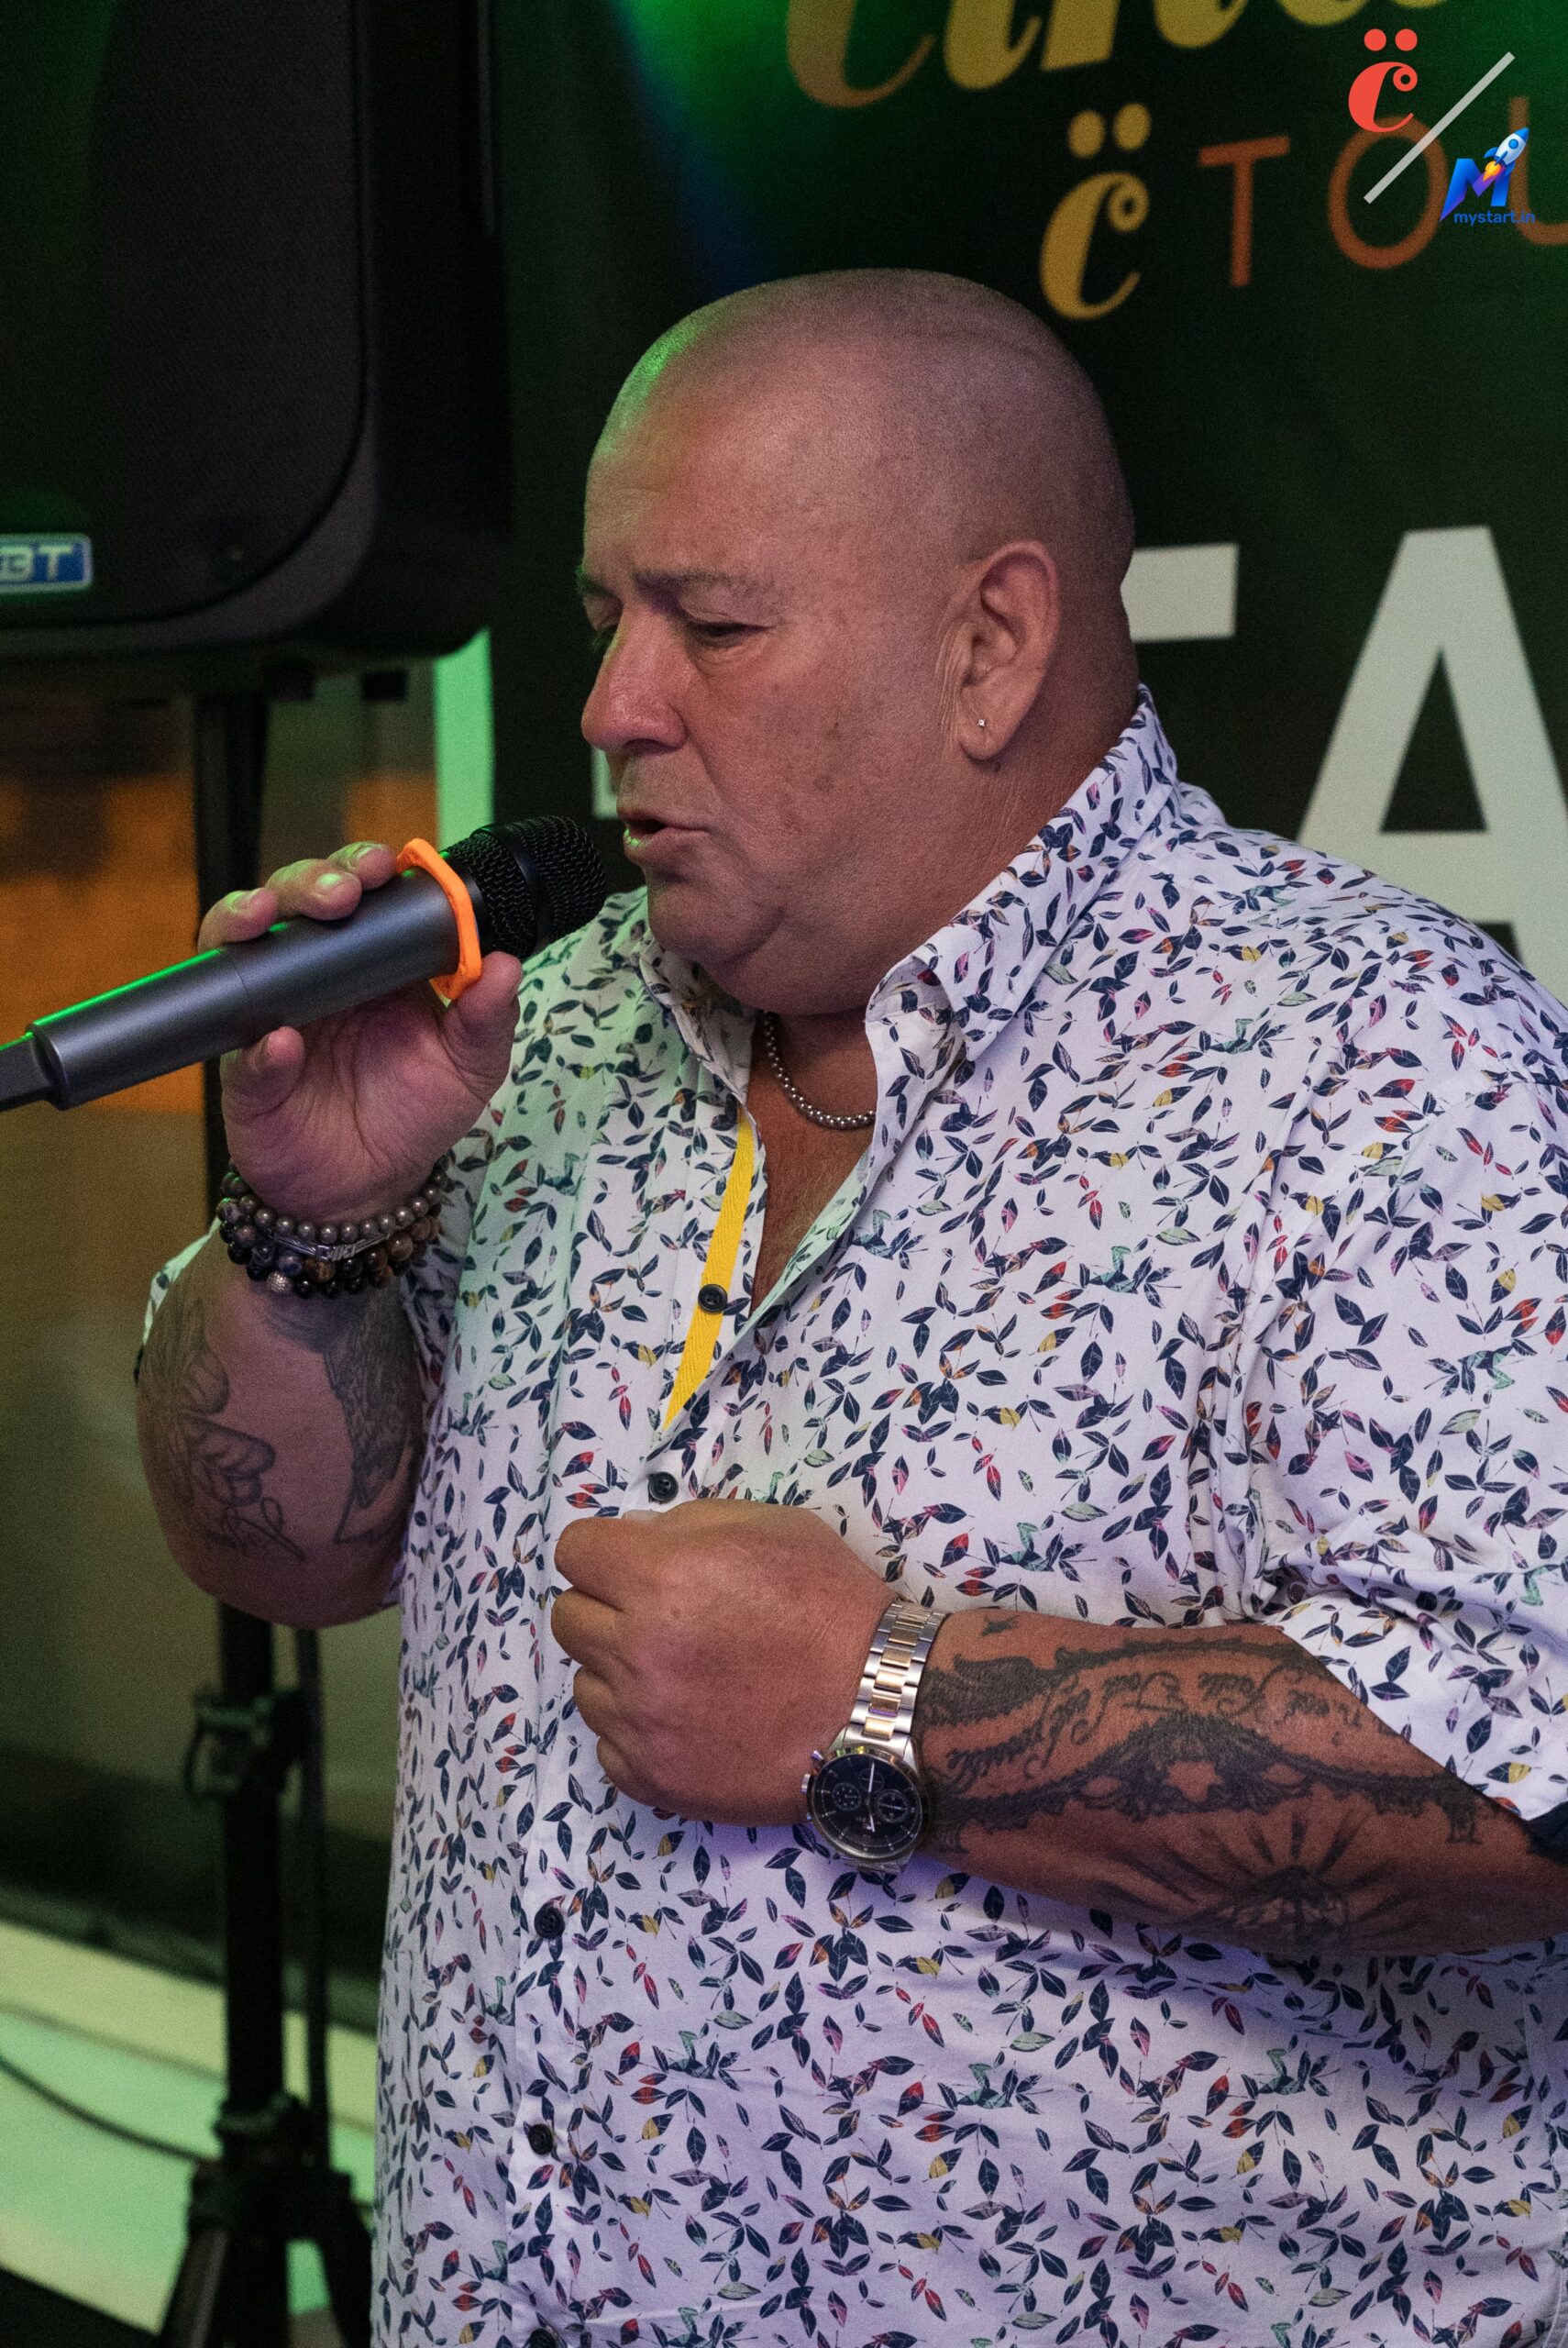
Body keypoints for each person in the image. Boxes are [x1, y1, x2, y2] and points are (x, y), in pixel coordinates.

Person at [138, 271, 1568, 2348]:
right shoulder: (541, 1023)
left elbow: (1534, 1774)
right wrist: (305, 1229)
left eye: (710, 625)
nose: (613, 704)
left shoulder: (1379, 1060)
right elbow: (274, 1550)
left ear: (991, 644)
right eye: (603, 617)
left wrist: (889, 1701)